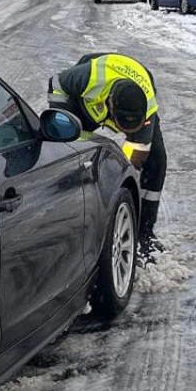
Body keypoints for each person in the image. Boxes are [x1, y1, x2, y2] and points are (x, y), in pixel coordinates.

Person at [48, 52, 167, 254]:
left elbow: (133, 161)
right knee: (69, 152)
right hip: (86, 103)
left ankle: (144, 234)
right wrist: (64, 117)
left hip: (132, 94)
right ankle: (67, 219)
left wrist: (121, 196)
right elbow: (57, 82)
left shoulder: (147, 107)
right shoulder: (88, 76)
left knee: (157, 161)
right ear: (111, 103)